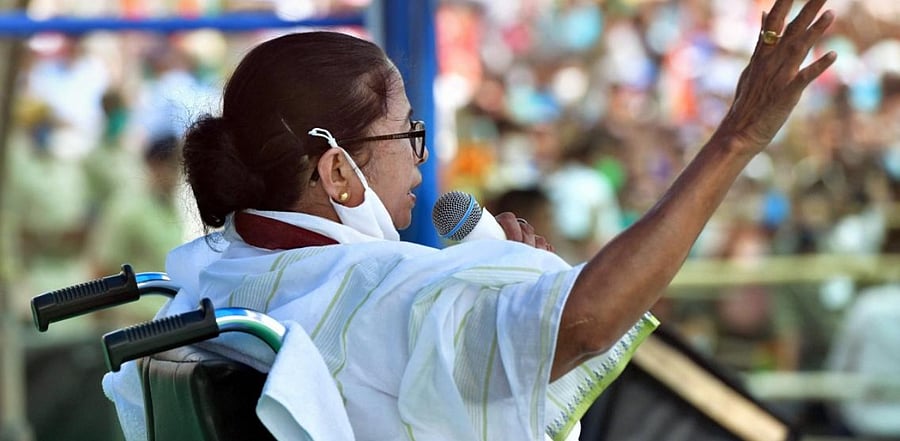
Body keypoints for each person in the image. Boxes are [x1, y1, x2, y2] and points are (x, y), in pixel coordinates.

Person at [103, 1, 837, 440]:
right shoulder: (376, 289)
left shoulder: (217, 269)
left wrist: (502, 282)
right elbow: (585, 324)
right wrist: (737, 137)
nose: (421, 162)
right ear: (337, 171)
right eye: (408, 134)